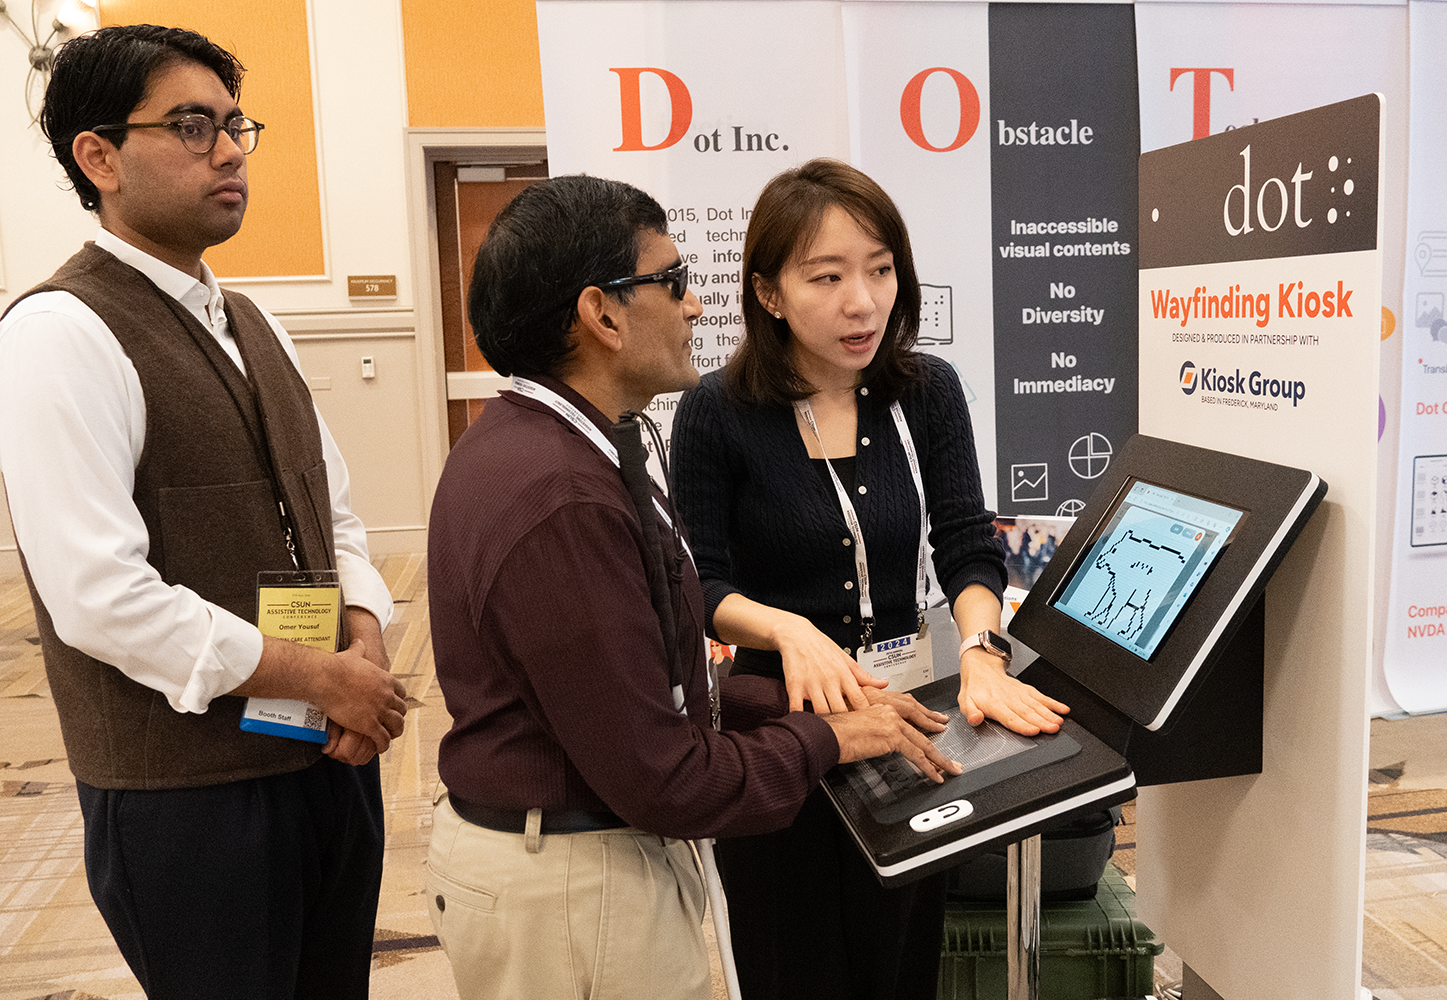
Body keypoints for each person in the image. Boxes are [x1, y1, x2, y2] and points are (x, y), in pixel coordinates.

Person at [425, 174, 963, 1000]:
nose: (693, 308)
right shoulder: (559, 498)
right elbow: (666, 777)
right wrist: (829, 737)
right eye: (671, 282)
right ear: (601, 314)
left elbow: (642, 691)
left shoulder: (566, 449)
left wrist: (791, 708)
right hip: (576, 879)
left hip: (592, 853)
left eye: (879, 269)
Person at [0, 25, 407, 999]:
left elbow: (332, 511)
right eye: (192, 126)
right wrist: (320, 676)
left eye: (234, 125)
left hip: (319, 757)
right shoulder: (61, 331)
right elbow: (99, 595)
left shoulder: (253, 321)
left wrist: (364, 642)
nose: (229, 151)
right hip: (189, 801)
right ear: (96, 156)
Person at [671, 159, 1071, 1000]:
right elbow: (698, 584)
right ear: (769, 294)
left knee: (897, 962)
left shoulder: (925, 392)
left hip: (903, 726)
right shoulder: (717, 413)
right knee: (793, 963)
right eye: (828, 277)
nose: (863, 301)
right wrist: (788, 630)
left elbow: (967, 543)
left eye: (880, 269)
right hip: (772, 734)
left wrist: (979, 652)